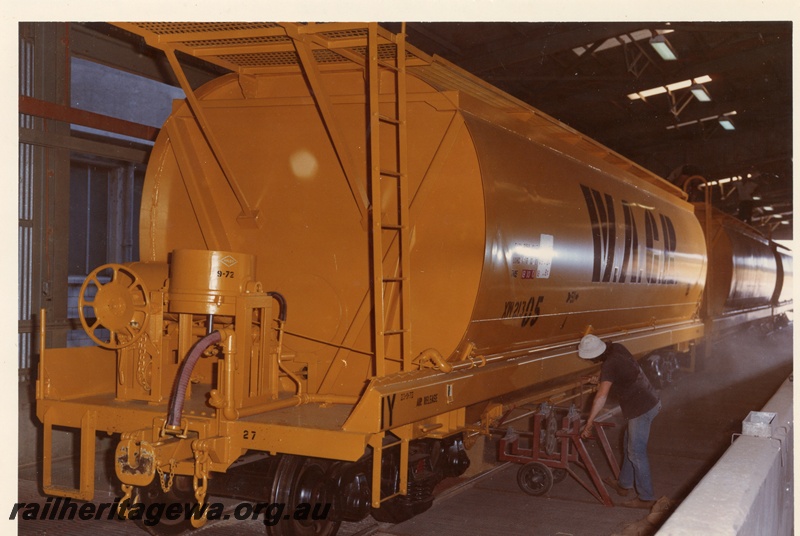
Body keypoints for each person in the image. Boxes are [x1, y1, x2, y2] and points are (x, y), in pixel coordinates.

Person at [578, 334, 662, 508]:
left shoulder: (609, 364)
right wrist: (600, 377)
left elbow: (601, 397)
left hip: (641, 409)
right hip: (649, 400)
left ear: (594, 356)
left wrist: (589, 422)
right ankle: (624, 485)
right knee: (628, 445)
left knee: (636, 452)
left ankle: (646, 498)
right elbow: (616, 370)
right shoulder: (617, 348)